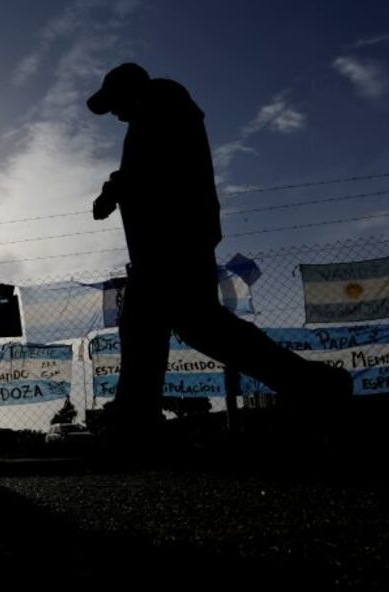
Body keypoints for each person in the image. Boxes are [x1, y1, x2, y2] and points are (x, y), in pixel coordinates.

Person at [86, 63, 351, 437]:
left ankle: (135, 422)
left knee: (166, 326)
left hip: (175, 240)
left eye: (114, 103)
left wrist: (115, 189)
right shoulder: (152, 113)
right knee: (185, 327)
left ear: (131, 90)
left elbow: (158, 165)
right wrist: (117, 188)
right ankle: (312, 384)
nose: (114, 114)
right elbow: (148, 166)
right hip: (168, 243)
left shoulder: (162, 100)